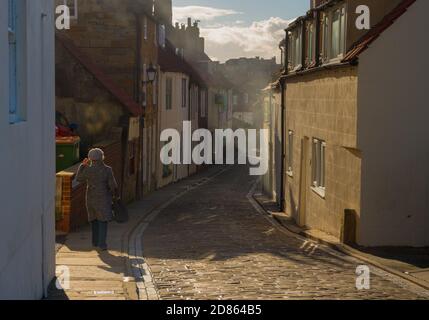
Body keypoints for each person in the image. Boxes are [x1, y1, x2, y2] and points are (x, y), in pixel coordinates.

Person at [76, 148, 118, 251]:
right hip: (103, 198)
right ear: (102, 157)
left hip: (90, 198)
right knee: (103, 221)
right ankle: (102, 244)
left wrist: (82, 165)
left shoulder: (87, 169)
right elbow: (113, 185)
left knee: (94, 220)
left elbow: (78, 178)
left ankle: (95, 242)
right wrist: (115, 196)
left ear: (90, 158)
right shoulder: (107, 170)